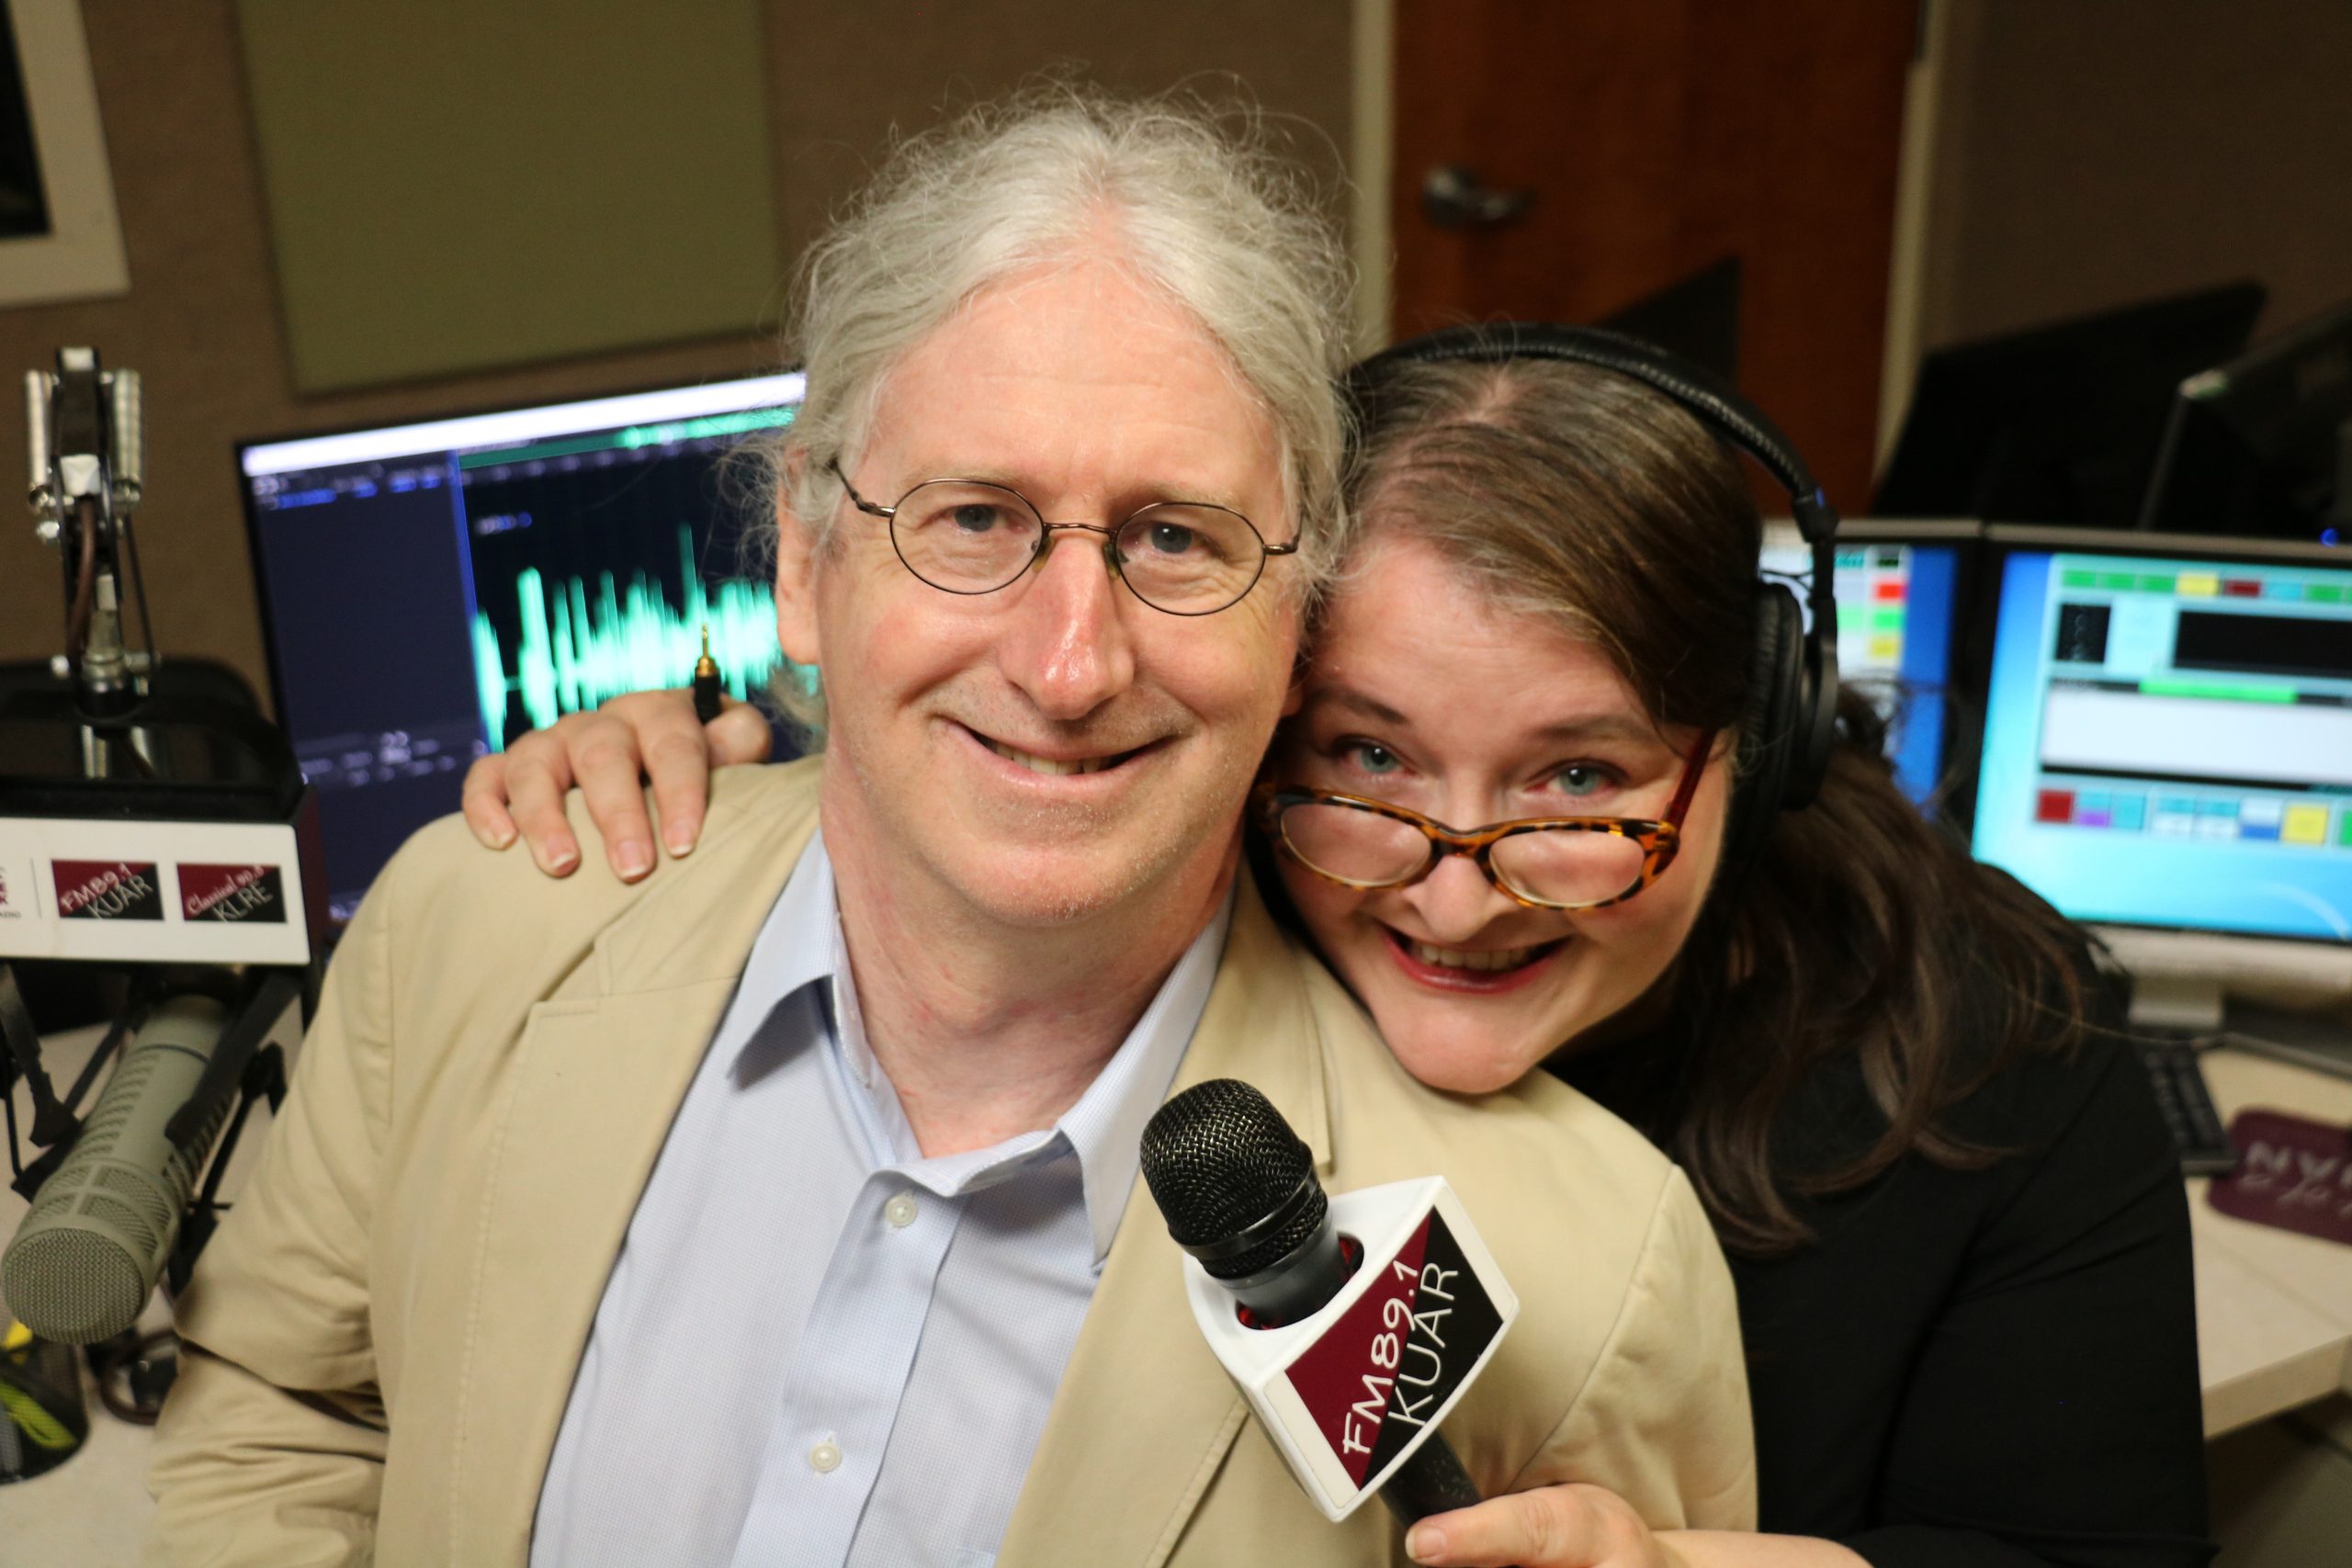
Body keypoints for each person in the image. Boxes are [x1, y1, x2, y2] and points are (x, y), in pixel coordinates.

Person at [145, 97, 1757, 1568]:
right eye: (973, 518)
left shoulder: (1590, 1280)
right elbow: (286, 1425)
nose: (1069, 666)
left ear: (1299, 617)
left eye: (1179, 539)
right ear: (801, 556)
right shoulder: (474, 924)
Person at [477, 330, 2213, 1568]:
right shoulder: (1163, 905)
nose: (1454, 900)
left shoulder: (2011, 1062)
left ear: (1753, 742)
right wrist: (718, 751)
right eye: (1367, 759)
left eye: (1581, 780)